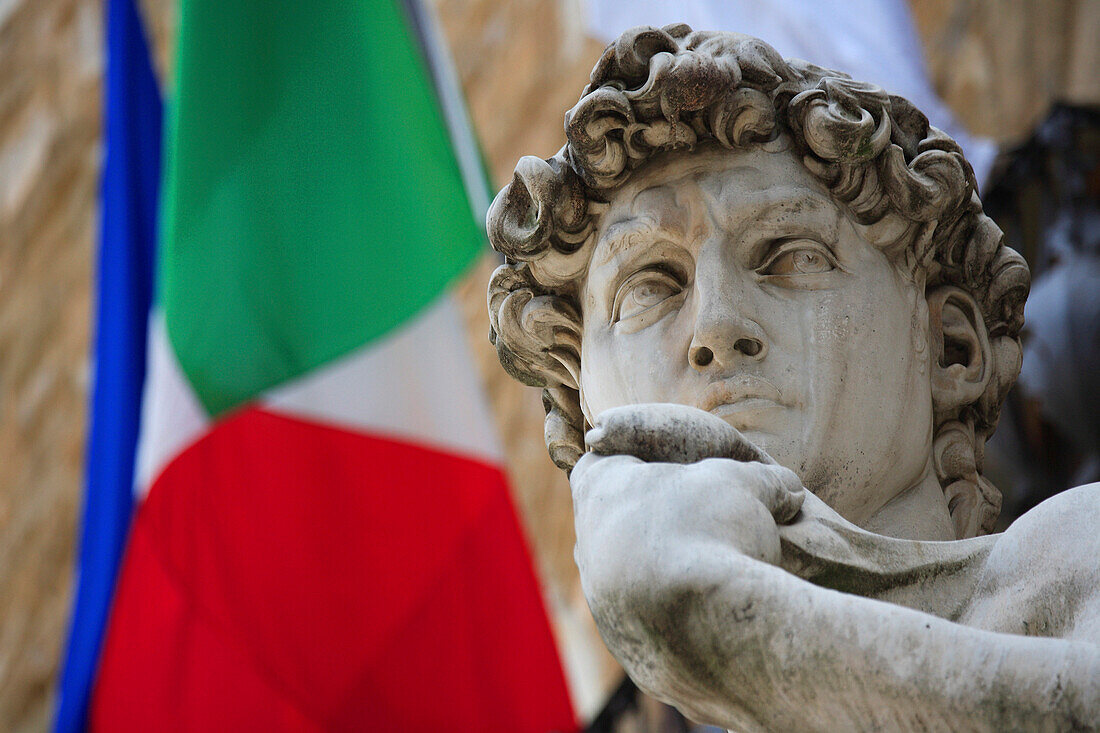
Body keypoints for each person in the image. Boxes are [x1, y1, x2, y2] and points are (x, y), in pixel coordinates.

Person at [485, 25, 1100, 730]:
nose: (715, 327)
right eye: (649, 288)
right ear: (582, 404)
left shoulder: (1078, 562)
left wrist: (738, 629)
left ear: (948, 346)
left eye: (792, 254)